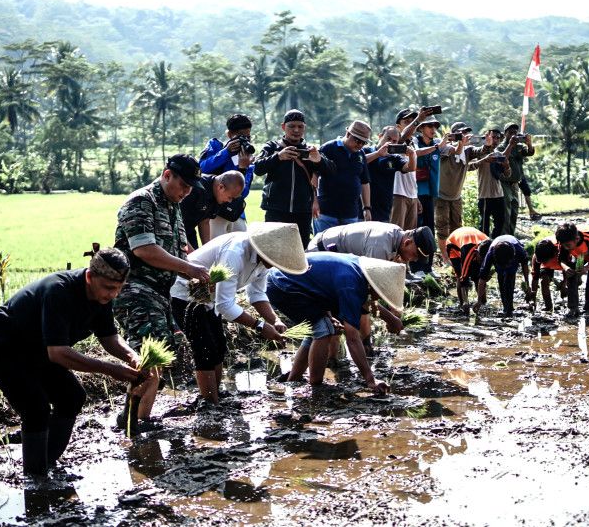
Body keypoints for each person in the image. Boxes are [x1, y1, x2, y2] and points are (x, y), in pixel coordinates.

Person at [0, 249, 153, 475]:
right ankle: (35, 477)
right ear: (89, 277)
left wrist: (132, 356)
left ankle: (48, 462)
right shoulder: (59, 291)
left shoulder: (102, 296)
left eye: (119, 289)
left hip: (36, 349)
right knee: (35, 408)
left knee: (71, 396)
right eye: (109, 288)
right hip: (0, 347)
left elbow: (109, 337)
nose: (113, 295)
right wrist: (110, 369)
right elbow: (58, 353)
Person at [113, 154, 212, 425]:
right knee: (146, 357)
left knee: (157, 356)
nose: (187, 192)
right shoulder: (141, 202)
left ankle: (140, 419)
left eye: (192, 188)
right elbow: (144, 250)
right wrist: (188, 270)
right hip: (136, 290)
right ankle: (130, 421)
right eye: (183, 185)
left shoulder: (173, 205)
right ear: (167, 175)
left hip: (160, 293)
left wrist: (200, 269)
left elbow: (182, 248)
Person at [170, 223, 308, 403]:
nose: (276, 264)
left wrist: (274, 320)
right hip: (186, 294)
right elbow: (225, 305)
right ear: (266, 251)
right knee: (204, 348)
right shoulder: (235, 252)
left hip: (210, 298)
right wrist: (259, 326)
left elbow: (257, 294)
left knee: (219, 346)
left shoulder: (262, 262)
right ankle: (210, 403)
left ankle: (215, 395)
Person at [266, 253, 405, 393]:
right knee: (324, 329)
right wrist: (371, 380)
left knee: (316, 329)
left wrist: (390, 318)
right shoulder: (351, 284)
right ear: (376, 286)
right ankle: (316, 386)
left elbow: (364, 301)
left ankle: (293, 380)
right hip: (284, 285)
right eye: (382, 295)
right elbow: (352, 338)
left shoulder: (360, 271)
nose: (380, 299)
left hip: (289, 281)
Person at [307, 221, 435, 356]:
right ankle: (331, 360)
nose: (413, 260)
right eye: (415, 255)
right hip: (320, 254)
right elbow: (364, 298)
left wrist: (393, 308)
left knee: (359, 304)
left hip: (340, 262)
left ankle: (365, 348)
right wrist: (390, 318)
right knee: (334, 313)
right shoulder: (380, 246)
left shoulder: (397, 237)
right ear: (407, 242)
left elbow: (375, 291)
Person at [253, 109, 334, 248]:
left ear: (304, 128)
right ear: (283, 127)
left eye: (300, 126)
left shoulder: (311, 150)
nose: (296, 130)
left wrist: (319, 160)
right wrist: (278, 157)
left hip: (302, 211)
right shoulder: (272, 147)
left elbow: (331, 171)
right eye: (291, 126)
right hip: (275, 209)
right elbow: (257, 168)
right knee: (273, 250)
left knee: (299, 251)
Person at [198, 114, 256, 238]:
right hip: (214, 210)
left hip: (235, 212)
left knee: (242, 249)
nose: (245, 140)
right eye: (241, 137)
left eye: (248, 137)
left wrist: (243, 168)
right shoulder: (215, 147)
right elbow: (201, 169)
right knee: (216, 250)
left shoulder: (247, 158)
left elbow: (243, 193)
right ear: (229, 135)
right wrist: (226, 152)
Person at [435, 122, 484, 261]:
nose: (463, 136)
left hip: (456, 196)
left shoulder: (468, 151)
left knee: (457, 226)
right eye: (460, 133)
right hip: (441, 195)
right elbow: (444, 151)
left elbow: (481, 151)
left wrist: (488, 144)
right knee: (442, 228)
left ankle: (456, 255)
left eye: (465, 133)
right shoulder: (444, 147)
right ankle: (445, 258)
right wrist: (455, 142)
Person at [315, 120, 372, 234]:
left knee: (347, 249)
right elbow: (314, 175)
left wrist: (367, 208)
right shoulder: (328, 148)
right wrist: (314, 201)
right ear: (348, 134)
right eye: (357, 140)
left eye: (363, 143)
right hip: (326, 213)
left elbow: (364, 182)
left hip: (350, 214)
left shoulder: (360, 154)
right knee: (322, 247)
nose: (360, 145)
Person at [410, 115, 449, 275]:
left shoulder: (437, 144)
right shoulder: (414, 142)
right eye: (429, 126)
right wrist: (437, 147)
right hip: (416, 193)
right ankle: (416, 267)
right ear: (421, 128)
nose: (433, 130)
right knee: (416, 230)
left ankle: (428, 266)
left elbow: (456, 150)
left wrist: (460, 142)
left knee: (429, 229)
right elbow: (414, 154)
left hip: (431, 193)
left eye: (435, 126)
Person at [179, 171, 245, 249]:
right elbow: (176, 226)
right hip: (170, 228)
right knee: (188, 259)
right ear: (221, 187)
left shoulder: (218, 195)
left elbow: (205, 221)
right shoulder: (195, 189)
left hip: (188, 231)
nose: (230, 201)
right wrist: (191, 254)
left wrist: (206, 249)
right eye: (230, 197)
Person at [364, 126, 416, 223]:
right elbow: (359, 161)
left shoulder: (395, 158)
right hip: (365, 206)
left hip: (384, 208)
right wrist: (378, 154)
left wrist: (412, 155)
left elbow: (410, 168)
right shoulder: (367, 150)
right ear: (380, 136)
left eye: (394, 141)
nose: (391, 143)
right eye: (388, 139)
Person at [555, 222, 589, 316]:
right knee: (572, 274)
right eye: (564, 246)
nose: (566, 248)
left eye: (568, 245)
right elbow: (561, 259)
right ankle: (573, 308)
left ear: (577, 239)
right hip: (580, 255)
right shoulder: (563, 241)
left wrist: (586, 268)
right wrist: (566, 268)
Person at [476, 235, 532, 317]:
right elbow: (482, 279)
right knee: (501, 279)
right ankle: (506, 308)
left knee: (510, 276)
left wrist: (527, 284)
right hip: (499, 259)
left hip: (512, 259)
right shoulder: (490, 254)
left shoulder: (519, 251)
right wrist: (479, 301)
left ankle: (509, 308)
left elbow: (525, 266)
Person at [497, 123, 536, 235]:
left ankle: (511, 235)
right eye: (510, 133)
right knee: (506, 212)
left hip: (515, 184)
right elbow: (502, 157)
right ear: (505, 134)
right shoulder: (501, 147)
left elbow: (530, 152)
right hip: (505, 183)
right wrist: (510, 145)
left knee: (514, 211)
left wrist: (529, 142)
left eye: (515, 132)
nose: (513, 135)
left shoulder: (519, 147)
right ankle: (504, 237)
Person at [445, 226, 491, 314]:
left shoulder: (491, 248)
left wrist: (480, 301)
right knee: (460, 275)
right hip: (453, 243)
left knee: (478, 276)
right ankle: (462, 304)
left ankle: (483, 302)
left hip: (476, 238)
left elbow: (484, 277)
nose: (482, 263)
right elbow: (463, 278)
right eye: (481, 260)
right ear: (477, 253)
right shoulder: (468, 253)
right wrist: (466, 301)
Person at [475, 129, 508, 238]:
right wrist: (485, 158)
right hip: (485, 195)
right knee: (484, 226)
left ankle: (494, 246)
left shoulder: (499, 154)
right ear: (487, 138)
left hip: (498, 194)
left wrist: (506, 166)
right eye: (493, 137)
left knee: (500, 223)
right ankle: (484, 249)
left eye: (498, 138)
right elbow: (471, 166)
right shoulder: (480, 152)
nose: (495, 140)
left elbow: (507, 174)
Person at [530, 236, 565, 312]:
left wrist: (564, 283)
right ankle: (548, 307)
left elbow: (569, 270)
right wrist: (533, 297)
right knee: (544, 281)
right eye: (541, 261)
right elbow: (535, 277)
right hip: (547, 262)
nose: (543, 262)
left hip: (563, 262)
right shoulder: (537, 258)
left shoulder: (563, 251)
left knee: (573, 281)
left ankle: (573, 307)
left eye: (544, 261)